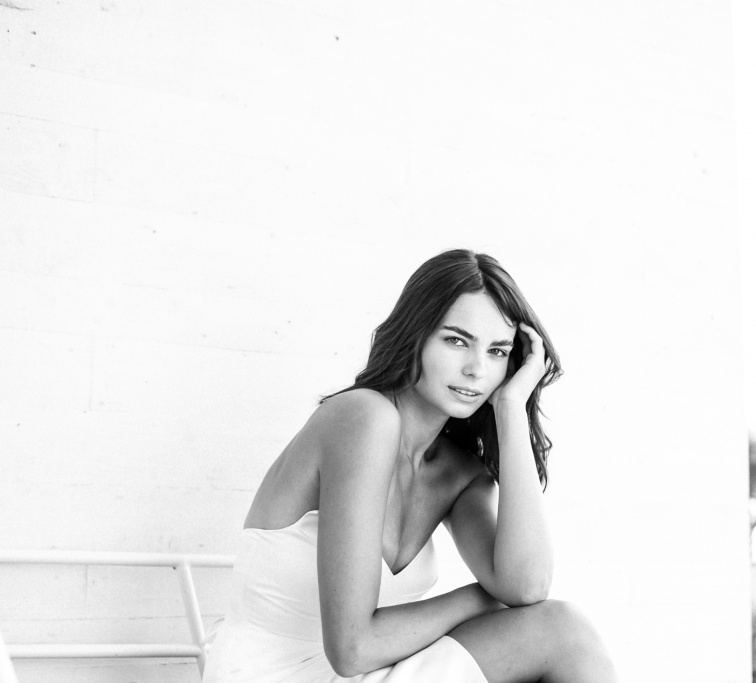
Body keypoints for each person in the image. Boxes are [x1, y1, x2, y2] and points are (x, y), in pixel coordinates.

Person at [202, 249, 618, 682]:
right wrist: (479, 598)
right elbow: (352, 649)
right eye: (456, 341)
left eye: (497, 351)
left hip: (374, 673)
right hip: (274, 673)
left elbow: (527, 587)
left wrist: (510, 408)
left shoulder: (459, 473)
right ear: (415, 334)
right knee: (563, 631)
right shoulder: (362, 417)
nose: (477, 369)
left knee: (567, 633)